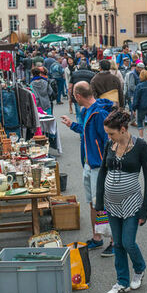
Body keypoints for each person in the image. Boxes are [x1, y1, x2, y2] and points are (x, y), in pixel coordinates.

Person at [95, 110, 147, 293]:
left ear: (122, 129)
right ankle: (122, 282)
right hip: (111, 203)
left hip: (132, 202)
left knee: (128, 242)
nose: (109, 137)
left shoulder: (140, 146)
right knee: (117, 243)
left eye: (111, 133)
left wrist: (145, 208)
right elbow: (103, 172)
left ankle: (139, 268)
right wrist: (99, 200)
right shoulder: (109, 145)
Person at [60, 82, 115, 256]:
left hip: (98, 165)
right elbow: (86, 133)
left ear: (77, 96)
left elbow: (108, 140)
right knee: (93, 202)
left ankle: (115, 241)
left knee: (104, 203)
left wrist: (105, 164)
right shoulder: (89, 111)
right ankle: (97, 237)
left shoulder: (99, 113)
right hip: (90, 164)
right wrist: (72, 125)